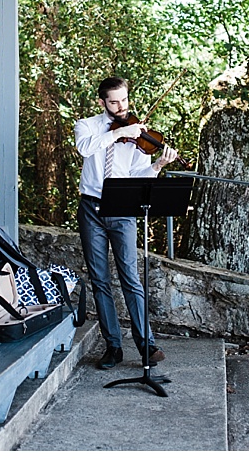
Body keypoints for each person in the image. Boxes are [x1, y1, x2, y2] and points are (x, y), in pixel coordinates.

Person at [74, 76, 178, 369]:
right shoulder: (87, 127)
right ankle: (113, 346)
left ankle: (146, 344)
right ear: (102, 102)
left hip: (122, 208)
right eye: (114, 102)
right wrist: (118, 133)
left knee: (130, 277)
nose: (121, 107)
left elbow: (138, 175)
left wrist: (157, 166)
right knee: (100, 280)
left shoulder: (136, 136)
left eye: (124, 100)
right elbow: (85, 149)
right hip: (91, 207)